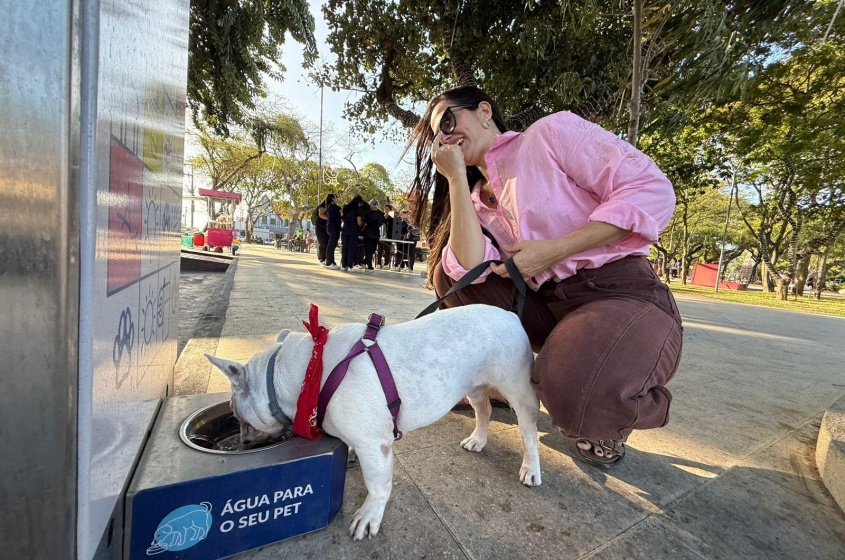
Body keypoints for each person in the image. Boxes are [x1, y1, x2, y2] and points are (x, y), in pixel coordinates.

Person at [407, 86, 682, 468]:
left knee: (570, 393)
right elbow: (465, 269)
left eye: (449, 121)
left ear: (484, 111)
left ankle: (618, 397)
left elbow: (653, 191)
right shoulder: (475, 200)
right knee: (448, 278)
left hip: (618, 292)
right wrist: (455, 179)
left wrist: (554, 250)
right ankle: (507, 383)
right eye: (437, 134)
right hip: (549, 305)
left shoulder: (549, 134)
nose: (445, 136)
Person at [340, 195, 364, 271]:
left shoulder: (346, 207)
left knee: (345, 247)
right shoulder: (357, 209)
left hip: (345, 229)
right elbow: (359, 222)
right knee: (352, 248)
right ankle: (350, 266)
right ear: (358, 202)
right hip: (353, 230)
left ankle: (343, 265)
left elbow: (342, 219)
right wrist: (362, 224)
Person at [363, 199, 386, 270]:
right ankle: (367, 263)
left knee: (368, 250)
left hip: (367, 233)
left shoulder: (367, 214)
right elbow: (382, 223)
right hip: (376, 234)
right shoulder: (381, 214)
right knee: (373, 250)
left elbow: (365, 223)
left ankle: (366, 263)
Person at [324, 194, 341, 270]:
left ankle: (332, 262)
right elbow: (342, 211)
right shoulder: (333, 206)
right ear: (332, 199)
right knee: (331, 245)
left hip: (332, 227)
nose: (337, 199)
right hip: (333, 227)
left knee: (333, 245)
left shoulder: (330, 207)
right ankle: (329, 262)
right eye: (336, 198)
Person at [313, 199, 329, 264]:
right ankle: (322, 259)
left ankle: (325, 258)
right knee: (323, 243)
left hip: (327, 227)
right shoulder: (322, 207)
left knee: (326, 243)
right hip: (320, 228)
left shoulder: (330, 207)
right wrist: (331, 218)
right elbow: (321, 214)